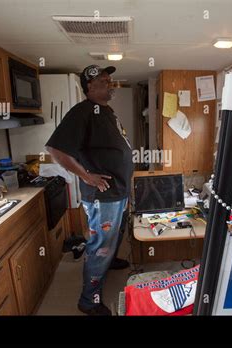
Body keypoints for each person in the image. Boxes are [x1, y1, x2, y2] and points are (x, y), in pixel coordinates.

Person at [45, 64, 133, 316]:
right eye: (103, 81)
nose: (110, 83)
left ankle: (111, 259)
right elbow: (56, 150)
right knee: (99, 247)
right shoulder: (82, 111)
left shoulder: (107, 112)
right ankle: (89, 300)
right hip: (103, 195)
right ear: (89, 87)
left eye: (110, 80)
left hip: (118, 191)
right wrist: (87, 176)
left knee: (115, 236)